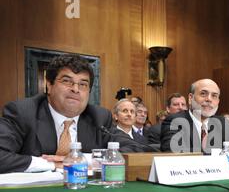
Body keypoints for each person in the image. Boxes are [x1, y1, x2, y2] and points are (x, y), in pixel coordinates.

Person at [0, 54, 136, 174]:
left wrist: (81, 160)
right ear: (49, 85)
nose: (75, 89)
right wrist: (51, 164)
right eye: (66, 81)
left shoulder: (99, 117)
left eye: (83, 84)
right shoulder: (23, 112)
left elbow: (135, 150)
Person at [161, 78, 229, 157]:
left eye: (214, 96)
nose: (209, 99)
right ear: (190, 98)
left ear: (218, 102)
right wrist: (224, 152)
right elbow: (173, 152)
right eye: (203, 94)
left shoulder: (222, 122)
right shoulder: (175, 121)